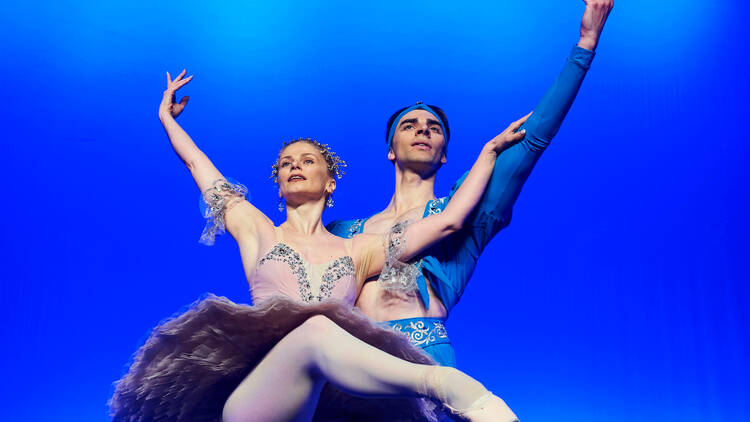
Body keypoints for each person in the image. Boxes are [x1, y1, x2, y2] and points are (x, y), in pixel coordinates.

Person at [109, 70, 527, 422]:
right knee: (315, 329)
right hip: (259, 395)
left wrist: (489, 152)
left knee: (326, 343)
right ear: (278, 184)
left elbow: (449, 220)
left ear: (330, 183)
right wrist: (167, 119)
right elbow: (202, 169)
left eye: (307, 160)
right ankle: (444, 383)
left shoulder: (357, 250)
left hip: (318, 402)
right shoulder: (257, 231)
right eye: (286, 163)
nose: (294, 165)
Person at [327, 0, 614, 367]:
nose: (423, 130)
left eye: (434, 128)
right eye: (409, 125)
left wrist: (585, 44)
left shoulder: (466, 211)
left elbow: (533, 138)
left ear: (444, 153)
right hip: (350, 368)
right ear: (390, 151)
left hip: (421, 359)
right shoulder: (343, 230)